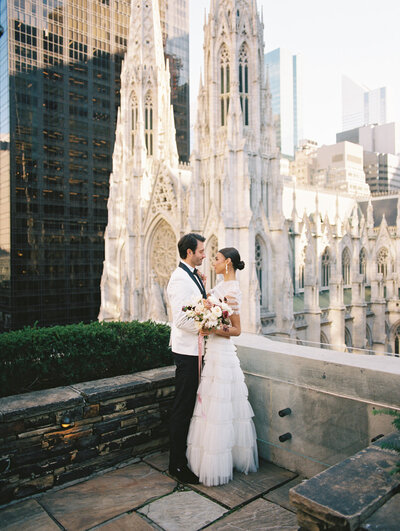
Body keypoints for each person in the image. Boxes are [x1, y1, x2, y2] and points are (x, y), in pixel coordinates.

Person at [186, 247, 259, 486]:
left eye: (216, 259)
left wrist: (212, 328)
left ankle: (219, 464)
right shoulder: (221, 287)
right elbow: (214, 307)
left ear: (227, 262)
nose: (212, 262)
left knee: (221, 409)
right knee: (213, 406)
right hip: (213, 351)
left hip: (223, 353)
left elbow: (237, 329)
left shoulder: (233, 289)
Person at [167, 233, 207, 484]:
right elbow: (181, 320)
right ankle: (176, 465)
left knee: (190, 406)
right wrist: (209, 327)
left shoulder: (192, 276)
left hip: (197, 351)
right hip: (187, 353)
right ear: (189, 252)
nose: (204, 254)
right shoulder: (179, 279)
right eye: (201, 251)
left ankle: (185, 457)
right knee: (182, 408)